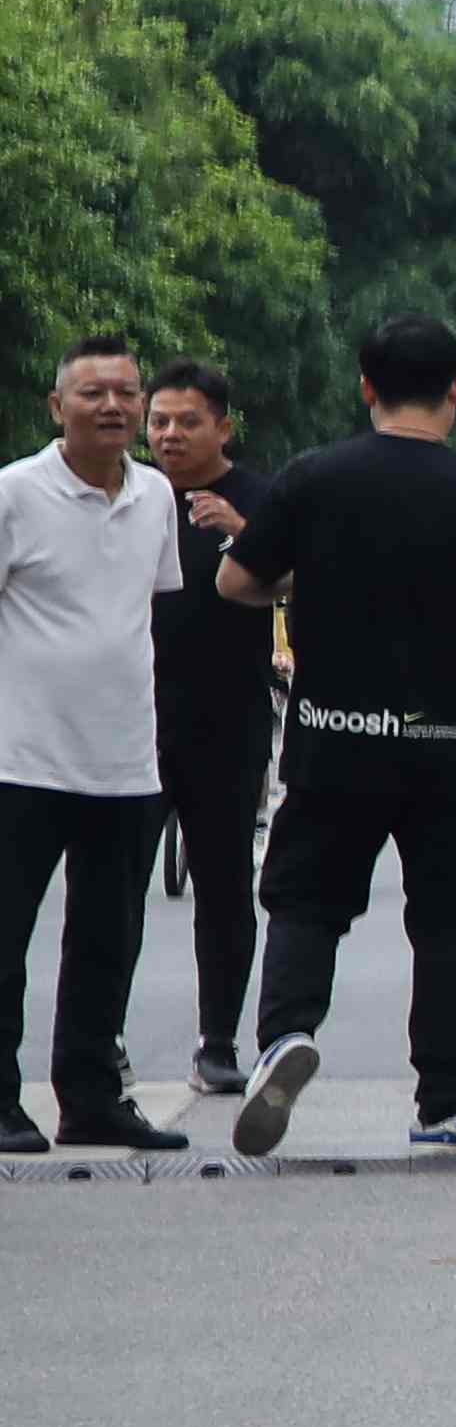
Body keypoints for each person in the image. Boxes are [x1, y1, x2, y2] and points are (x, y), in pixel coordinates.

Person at [214, 313, 456, 1158]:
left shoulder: (313, 479)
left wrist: (306, 588)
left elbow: (232, 581)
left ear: (365, 386)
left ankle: (286, 1036)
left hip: (334, 738)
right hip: (448, 744)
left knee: (305, 902)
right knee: (446, 927)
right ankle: (442, 1106)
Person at [0, 337, 186, 1153]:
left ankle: (90, 1097)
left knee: (108, 943)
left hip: (125, 763)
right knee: (5, 941)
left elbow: (143, 611)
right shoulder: (13, 493)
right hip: (21, 759)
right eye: (92, 393)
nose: (112, 406)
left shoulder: (154, 498)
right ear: (56, 407)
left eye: (126, 392)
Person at [138, 359, 275, 1100]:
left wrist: (243, 532)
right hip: (129, 720)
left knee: (225, 885)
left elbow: (300, 577)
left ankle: (217, 1041)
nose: (169, 435)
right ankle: (103, 1041)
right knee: (115, 885)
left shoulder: (262, 498)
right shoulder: (126, 493)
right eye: (158, 421)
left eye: (187, 421)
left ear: (223, 426)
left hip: (228, 718)